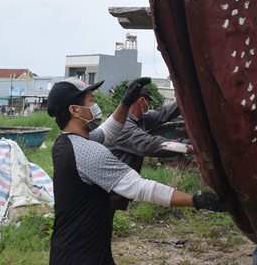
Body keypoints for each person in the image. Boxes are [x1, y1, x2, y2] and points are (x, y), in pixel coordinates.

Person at [47, 77, 229, 264]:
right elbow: (140, 188)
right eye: (91, 101)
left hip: (73, 249)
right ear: (74, 110)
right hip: (81, 256)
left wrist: (125, 102)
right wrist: (197, 201)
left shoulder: (68, 142)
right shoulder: (89, 151)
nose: (96, 106)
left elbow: (108, 132)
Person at [108, 86, 190, 212]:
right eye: (148, 102)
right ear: (142, 101)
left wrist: (188, 98)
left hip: (117, 188)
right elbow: (150, 144)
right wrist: (188, 146)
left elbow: (163, 113)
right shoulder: (122, 125)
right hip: (106, 192)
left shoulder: (139, 120)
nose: (148, 106)